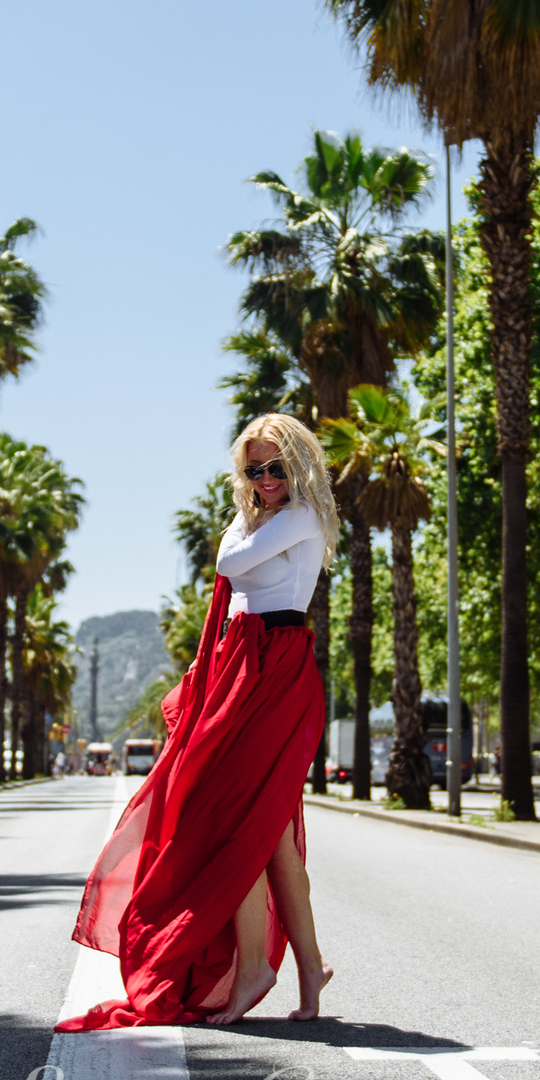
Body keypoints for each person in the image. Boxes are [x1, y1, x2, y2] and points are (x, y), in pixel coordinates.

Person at [60, 414, 338, 1031]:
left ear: (299, 465)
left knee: (235, 822)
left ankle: (254, 972)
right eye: (254, 469)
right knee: (268, 834)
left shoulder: (303, 516)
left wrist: (249, 513)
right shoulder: (267, 515)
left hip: (276, 670)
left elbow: (231, 562)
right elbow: (230, 559)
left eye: (276, 467)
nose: (266, 479)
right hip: (245, 669)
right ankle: (309, 967)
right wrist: (248, 506)